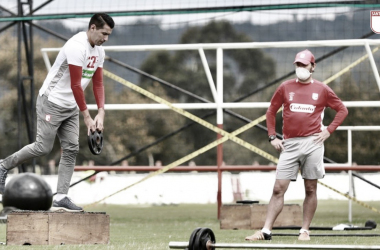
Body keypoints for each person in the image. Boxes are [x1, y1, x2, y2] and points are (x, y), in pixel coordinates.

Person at [0, 13, 115, 212]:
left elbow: (98, 83)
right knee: (42, 147)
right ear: (93, 28)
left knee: (71, 148)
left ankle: (61, 196)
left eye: (108, 35)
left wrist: (101, 112)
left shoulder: (100, 52)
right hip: (51, 102)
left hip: (70, 106)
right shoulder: (76, 46)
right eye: (103, 33)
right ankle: (3, 165)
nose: (105, 38)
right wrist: (87, 116)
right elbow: (76, 84)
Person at [245, 49, 348, 241]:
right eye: (297, 65)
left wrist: (328, 131)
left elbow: (342, 110)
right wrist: (272, 137)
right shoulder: (285, 87)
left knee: (310, 189)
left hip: (313, 143)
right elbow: (270, 112)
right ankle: (265, 231)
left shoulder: (323, 89)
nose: (300, 68)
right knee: (278, 188)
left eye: (304, 65)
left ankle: (304, 230)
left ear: (313, 66)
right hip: (289, 145)